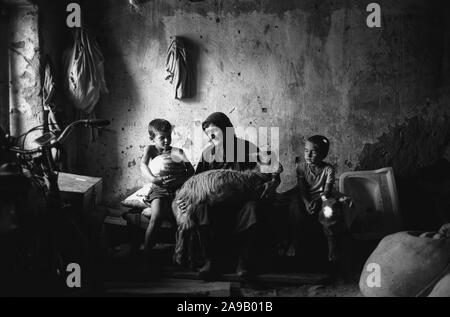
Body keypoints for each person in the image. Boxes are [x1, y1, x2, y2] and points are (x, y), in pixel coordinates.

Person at [178, 112, 282, 280]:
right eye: (208, 132)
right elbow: (197, 183)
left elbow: (271, 170)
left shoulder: (247, 148)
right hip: (216, 203)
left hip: (242, 201)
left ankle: (244, 262)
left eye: (215, 130)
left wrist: (273, 183)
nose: (211, 135)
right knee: (201, 208)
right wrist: (187, 201)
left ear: (227, 130)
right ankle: (212, 261)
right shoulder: (207, 154)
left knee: (253, 209)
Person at [140, 119, 194, 262]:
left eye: (169, 136)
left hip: (177, 190)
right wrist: (152, 179)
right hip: (159, 188)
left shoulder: (177, 151)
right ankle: (145, 256)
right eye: (162, 137)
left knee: (183, 218)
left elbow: (191, 171)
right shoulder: (150, 149)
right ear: (152, 138)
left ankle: (181, 254)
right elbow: (143, 165)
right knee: (156, 218)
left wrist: (180, 180)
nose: (166, 141)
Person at [295, 135, 344, 265]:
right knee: (294, 206)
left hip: (322, 197)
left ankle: (332, 245)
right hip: (305, 197)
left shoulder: (328, 169)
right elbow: (302, 189)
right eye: (306, 151)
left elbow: (327, 191)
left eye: (314, 152)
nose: (308, 155)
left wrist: (318, 201)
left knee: (330, 208)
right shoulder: (301, 167)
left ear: (323, 154)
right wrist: (306, 203)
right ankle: (299, 250)